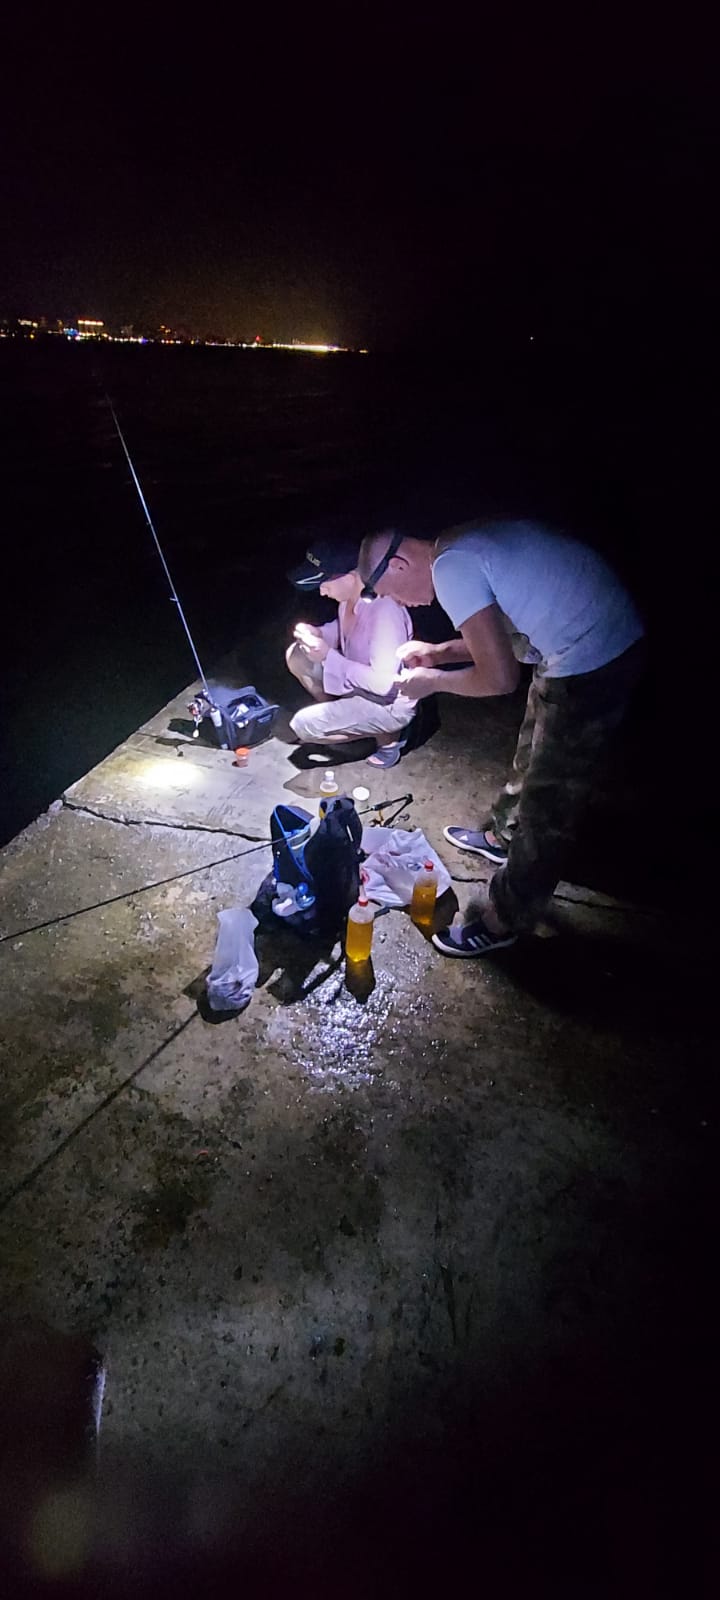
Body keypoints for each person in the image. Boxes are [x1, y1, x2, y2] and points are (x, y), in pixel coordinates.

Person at [358, 520, 646, 954]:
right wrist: (438, 653)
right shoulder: (452, 546)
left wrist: (432, 682)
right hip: (573, 637)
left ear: (397, 564)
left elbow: (499, 678)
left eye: (391, 593)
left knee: (551, 798)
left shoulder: (451, 568)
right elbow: (501, 636)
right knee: (533, 746)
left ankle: (506, 918)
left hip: (596, 652)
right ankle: (502, 836)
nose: (402, 604)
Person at [286, 536, 418, 768]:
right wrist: (318, 633)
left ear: (350, 576)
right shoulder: (349, 599)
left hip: (387, 702)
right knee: (296, 655)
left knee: (303, 726)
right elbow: (344, 631)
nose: (322, 591)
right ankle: (347, 717)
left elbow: (383, 684)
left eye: (324, 583)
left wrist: (328, 657)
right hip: (359, 684)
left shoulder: (385, 612)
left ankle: (390, 740)